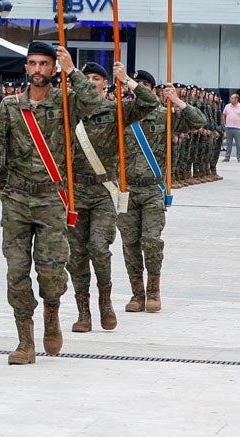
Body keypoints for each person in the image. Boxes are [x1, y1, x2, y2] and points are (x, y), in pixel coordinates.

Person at [0, 42, 109, 365]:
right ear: (26, 67)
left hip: (51, 197)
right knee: (16, 271)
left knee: (51, 273)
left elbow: (95, 104)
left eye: (44, 64)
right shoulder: (10, 107)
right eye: (32, 63)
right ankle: (25, 340)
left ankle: (52, 311)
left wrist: (73, 71)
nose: (37, 70)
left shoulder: (66, 103)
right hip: (17, 198)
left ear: (53, 68)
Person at [67, 61, 155, 333]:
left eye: (97, 78)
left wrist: (127, 79)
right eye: (87, 78)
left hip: (103, 192)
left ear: (105, 83)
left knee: (98, 248)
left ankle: (105, 302)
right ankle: (84, 311)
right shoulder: (68, 109)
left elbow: (150, 102)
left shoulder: (116, 110)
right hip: (74, 191)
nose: (92, 82)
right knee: (77, 256)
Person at [118, 70, 205, 314]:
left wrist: (176, 100)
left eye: (144, 85)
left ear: (152, 89)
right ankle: (137, 294)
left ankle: (154, 291)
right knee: (130, 244)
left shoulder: (165, 114)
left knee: (152, 241)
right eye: (135, 85)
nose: (138, 89)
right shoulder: (121, 112)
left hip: (152, 189)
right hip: (125, 189)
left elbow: (198, 121)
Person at [222, 93, 240, 163]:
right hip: (228, 127)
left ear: (236, 99)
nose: (231, 99)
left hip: (238, 128)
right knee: (228, 143)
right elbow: (224, 115)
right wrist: (225, 124)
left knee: (238, 143)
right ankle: (227, 157)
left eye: (232, 98)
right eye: (231, 98)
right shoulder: (227, 106)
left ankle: (239, 157)